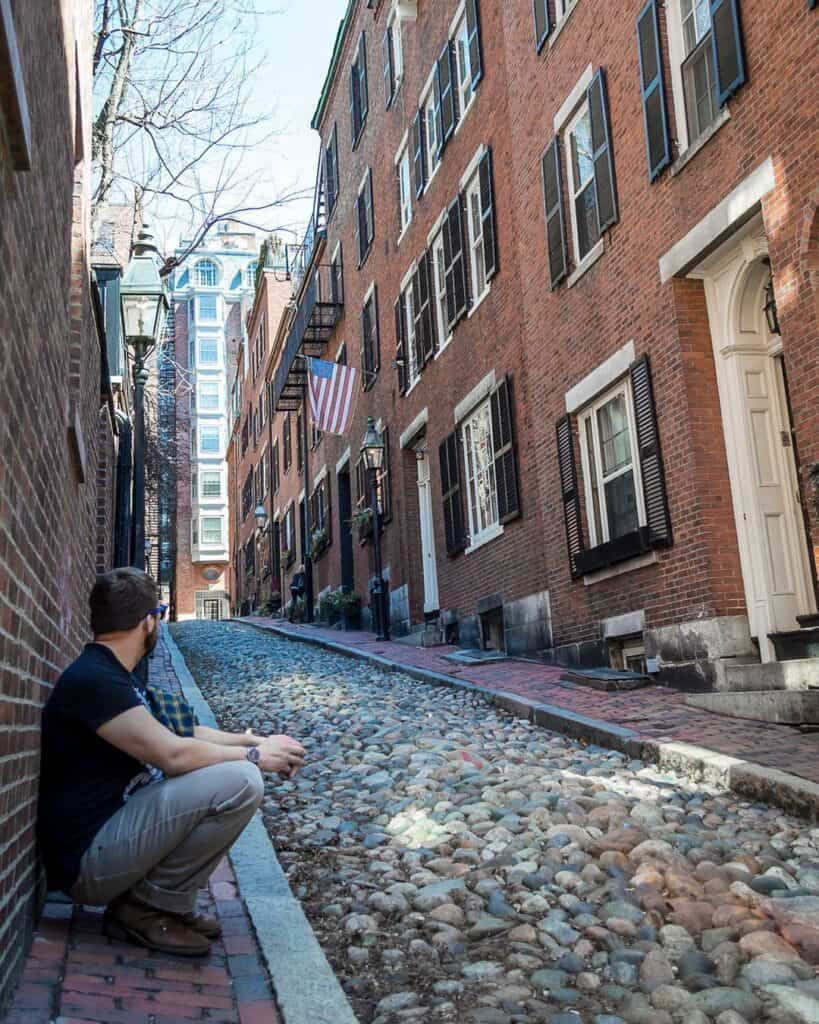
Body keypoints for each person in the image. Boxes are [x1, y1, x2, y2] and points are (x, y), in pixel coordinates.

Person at [37, 567, 306, 957]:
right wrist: (254, 757)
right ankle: (146, 909)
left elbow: (186, 732)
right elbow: (173, 755)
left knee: (236, 772)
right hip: (88, 862)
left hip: (112, 837)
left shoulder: (116, 677)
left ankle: (167, 905)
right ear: (148, 621)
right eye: (159, 614)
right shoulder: (96, 682)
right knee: (241, 781)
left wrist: (257, 740)